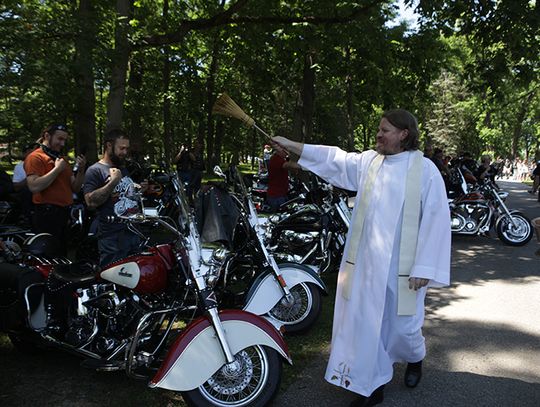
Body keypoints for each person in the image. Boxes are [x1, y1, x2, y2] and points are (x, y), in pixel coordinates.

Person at [272, 109, 451, 407]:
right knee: (368, 324)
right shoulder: (370, 162)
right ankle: (372, 384)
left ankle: (415, 357)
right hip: (366, 263)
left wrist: (425, 266)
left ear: (404, 134)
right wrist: (294, 147)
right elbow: (334, 160)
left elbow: (436, 219)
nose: (379, 135)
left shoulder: (425, 170)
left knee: (404, 328)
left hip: (403, 267)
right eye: (379, 130)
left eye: (385, 130)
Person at [83, 129, 143, 266]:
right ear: (109, 145)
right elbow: (90, 202)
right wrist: (113, 182)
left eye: (127, 148)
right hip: (112, 237)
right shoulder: (95, 170)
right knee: (113, 277)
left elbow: (125, 195)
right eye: (121, 148)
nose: (125, 152)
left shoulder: (122, 168)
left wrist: (139, 189)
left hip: (132, 232)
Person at [24, 124, 86, 245]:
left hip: (64, 213)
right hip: (46, 214)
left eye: (64, 140)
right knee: (49, 252)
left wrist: (81, 170)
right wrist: (57, 170)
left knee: (62, 252)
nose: (62, 144)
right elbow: (34, 186)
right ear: (47, 136)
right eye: (60, 139)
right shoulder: (35, 157)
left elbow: (75, 188)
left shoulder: (61, 159)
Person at [12, 143, 39, 225]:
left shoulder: (41, 164)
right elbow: (16, 186)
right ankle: (26, 217)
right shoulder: (19, 166)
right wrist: (30, 178)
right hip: (29, 194)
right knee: (26, 191)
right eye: (28, 151)